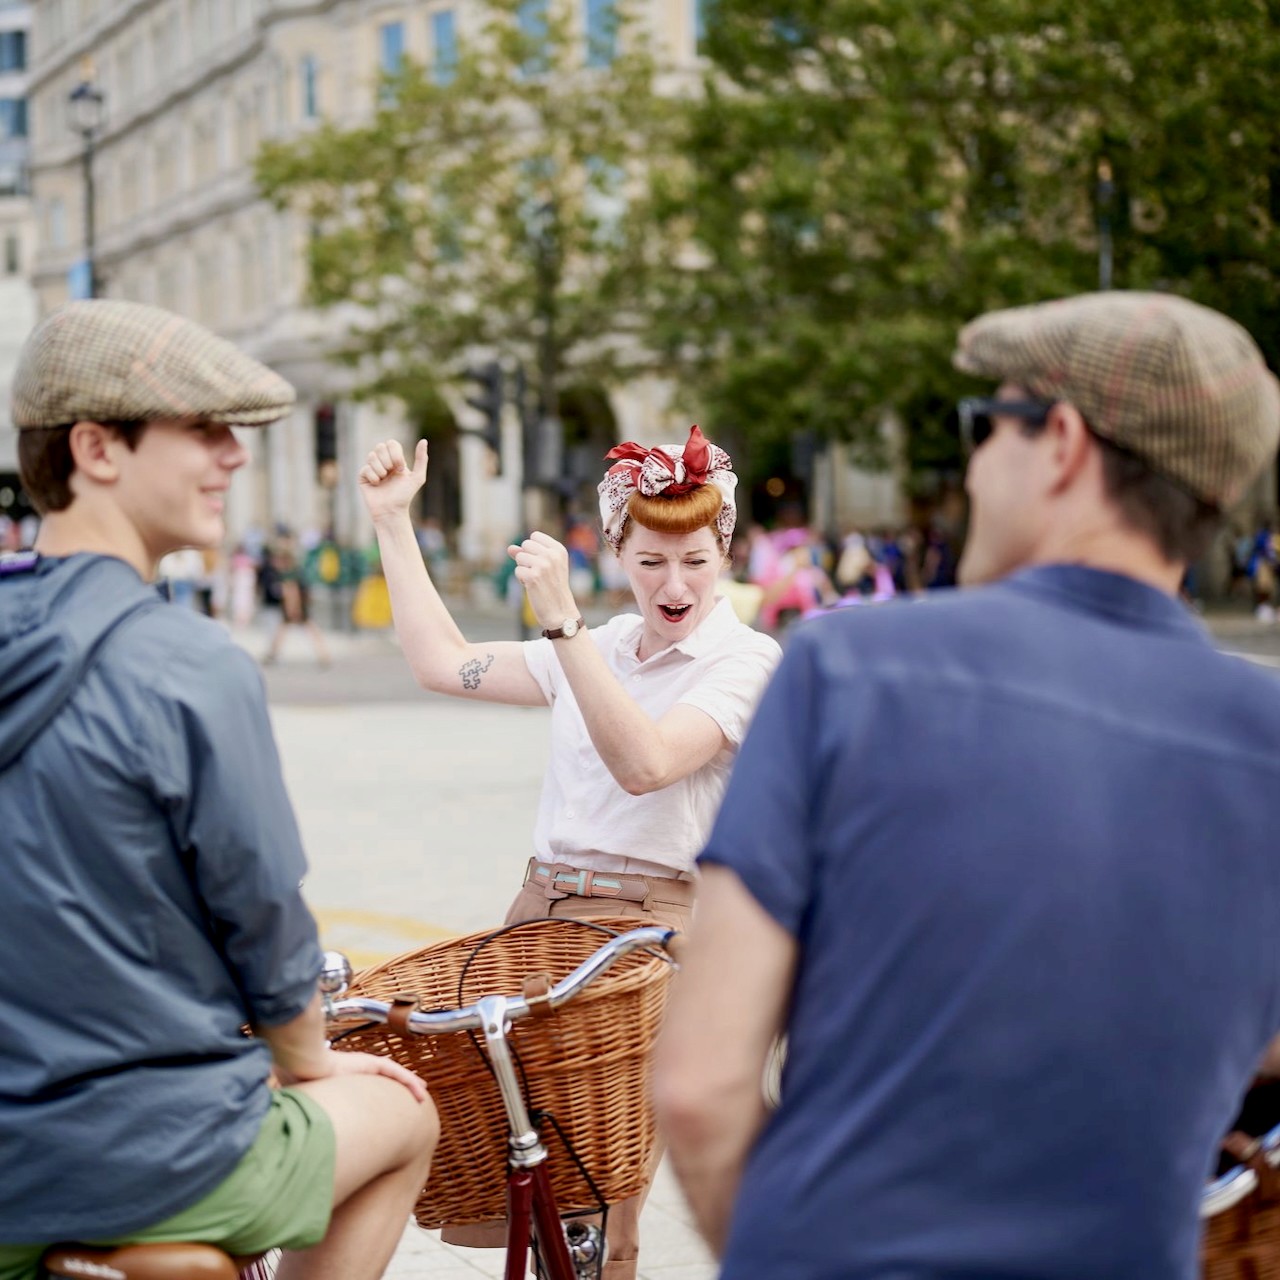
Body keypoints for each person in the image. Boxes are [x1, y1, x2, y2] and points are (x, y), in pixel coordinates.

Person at [653, 291, 1280, 1279]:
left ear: (1062, 441)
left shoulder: (843, 670)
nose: (973, 463)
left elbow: (697, 1084)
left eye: (983, 425)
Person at [0, 300, 438, 1280]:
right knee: (406, 1111)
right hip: (151, 1153)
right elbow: (265, 921)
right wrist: (310, 1060)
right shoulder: (188, 661)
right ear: (96, 448)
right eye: (201, 428)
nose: (233, 454)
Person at [358, 423, 781, 1279]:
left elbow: (648, 764)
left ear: (727, 553)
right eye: (652, 559)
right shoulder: (601, 647)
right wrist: (393, 524)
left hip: (646, 938)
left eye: (697, 560)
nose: (675, 584)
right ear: (617, 548)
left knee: (603, 1211)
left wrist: (565, 629)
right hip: (539, 916)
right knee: (524, 1182)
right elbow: (442, 662)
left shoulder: (744, 658)